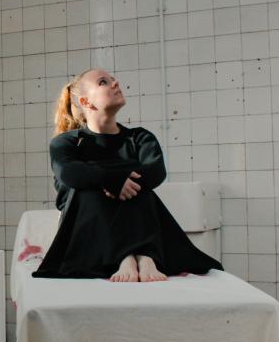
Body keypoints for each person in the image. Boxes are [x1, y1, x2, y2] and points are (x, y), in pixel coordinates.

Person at [32, 68, 223, 282]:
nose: (116, 84)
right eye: (103, 82)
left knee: (139, 186)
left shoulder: (139, 137)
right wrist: (111, 180)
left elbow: (156, 171)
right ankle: (125, 256)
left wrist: (114, 179)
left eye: (113, 80)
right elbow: (69, 173)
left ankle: (144, 256)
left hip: (137, 221)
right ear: (86, 102)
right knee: (90, 190)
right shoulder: (67, 142)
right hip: (88, 231)